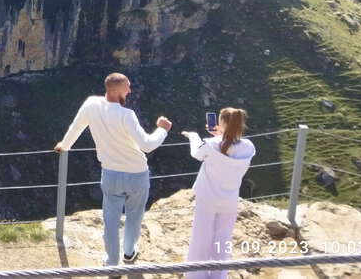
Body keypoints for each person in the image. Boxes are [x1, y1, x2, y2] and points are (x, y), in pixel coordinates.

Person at [56, 73, 171, 271]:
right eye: (127, 88)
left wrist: (64, 146)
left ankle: (112, 263)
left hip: (110, 174)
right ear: (115, 91)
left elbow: (76, 129)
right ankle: (129, 253)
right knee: (135, 216)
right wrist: (162, 129)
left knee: (110, 220)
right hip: (137, 175)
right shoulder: (127, 115)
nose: (130, 91)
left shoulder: (91, 104)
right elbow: (147, 145)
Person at [181, 109, 254, 279]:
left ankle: (196, 276)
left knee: (201, 237)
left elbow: (197, 153)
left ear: (221, 124)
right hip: (229, 200)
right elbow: (230, 145)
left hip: (207, 199)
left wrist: (193, 135)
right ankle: (218, 276)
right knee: (223, 240)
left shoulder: (211, 144)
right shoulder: (248, 147)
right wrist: (221, 134)